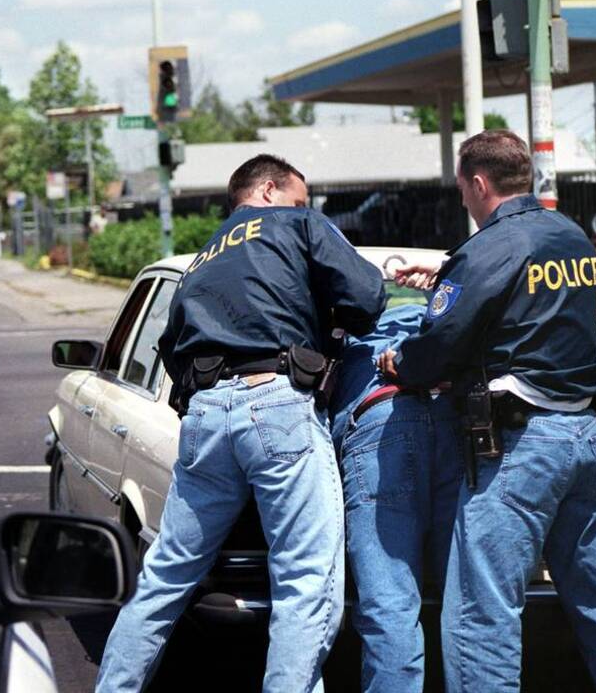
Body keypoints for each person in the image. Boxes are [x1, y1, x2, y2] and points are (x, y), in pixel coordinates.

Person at [96, 154, 387, 693]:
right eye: (300, 197)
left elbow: (170, 348)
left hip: (206, 413)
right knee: (305, 584)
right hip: (278, 402)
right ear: (271, 190)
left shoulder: (203, 257)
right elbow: (368, 298)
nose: (306, 207)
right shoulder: (298, 224)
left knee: (164, 578)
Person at [378, 130, 596, 692]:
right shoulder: (570, 235)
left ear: (478, 184)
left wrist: (398, 364)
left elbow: (437, 345)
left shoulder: (485, 250)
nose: (463, 201)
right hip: (586, 438)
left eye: (462, 190)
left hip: (521, 450)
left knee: (482, 614)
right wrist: (448, 279)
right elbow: (532, 308)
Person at [329, 303, 461, 692]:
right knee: (466, 600)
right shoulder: (453, 316)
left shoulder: (343, 334)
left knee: (390, 602)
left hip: (380, 423)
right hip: (458, 423)